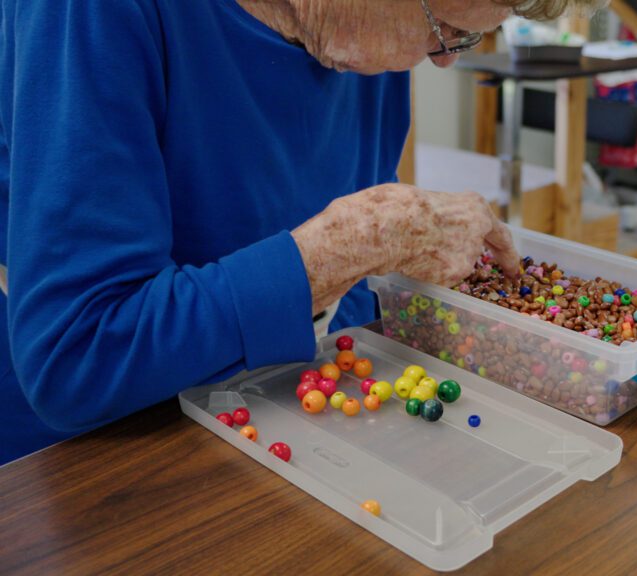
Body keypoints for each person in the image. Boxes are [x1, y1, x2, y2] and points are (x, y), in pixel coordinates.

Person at [0, 0, 601, 464]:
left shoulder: (363, 33)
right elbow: (75, 356)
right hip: (104, 456)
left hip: (291, 424)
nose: (446, 58)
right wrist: (353, 246)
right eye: (444, 28)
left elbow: (345, 296)